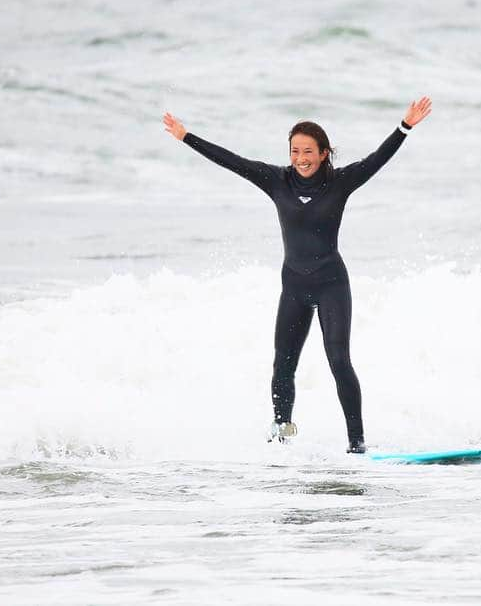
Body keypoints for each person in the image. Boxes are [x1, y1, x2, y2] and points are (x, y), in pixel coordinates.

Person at [163, 97, 432, 454]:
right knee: (282, 366)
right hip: (294, 287)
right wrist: (186, 137)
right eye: (295, 151)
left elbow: (377, 160)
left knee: (339, 361)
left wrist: (405, 126)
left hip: (332, 284)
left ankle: (357, 444)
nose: (301, 158)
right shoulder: (277, 181)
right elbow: (232, 161)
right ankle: (281, 438)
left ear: (323, 153)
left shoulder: (341, 182)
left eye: (308, 151)